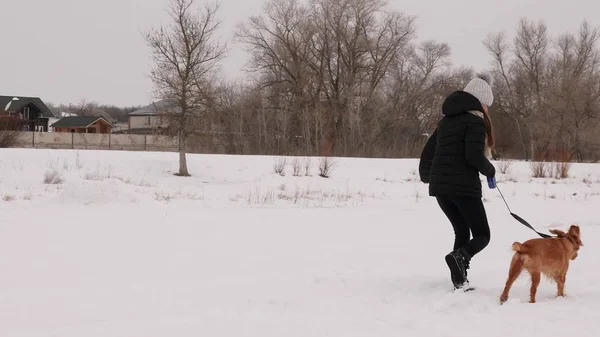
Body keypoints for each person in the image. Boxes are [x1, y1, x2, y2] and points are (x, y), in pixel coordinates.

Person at [418, 73, 496, 290]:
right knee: (482, 235)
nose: (487, 109)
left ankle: (459, 280)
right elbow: (473, 156)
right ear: (480, 101)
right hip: (463, 188)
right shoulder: (475, 122)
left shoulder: (446, 121)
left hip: (441, 189)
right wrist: (490, 169)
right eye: (487, 105)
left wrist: (428, 176)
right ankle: (460, 259)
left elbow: (428, 153)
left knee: (462, 232)